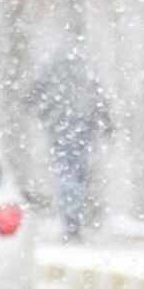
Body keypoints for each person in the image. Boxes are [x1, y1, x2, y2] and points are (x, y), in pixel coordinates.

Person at [28, 51, 112, 240]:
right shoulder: (86, 72)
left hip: (61, 132)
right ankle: (75, 220)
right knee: (79, 177)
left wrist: (40, 113)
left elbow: (35, 94)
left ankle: (72, 222)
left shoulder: (54, 71)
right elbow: (100, 100)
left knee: (67, 177)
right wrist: (108, 127)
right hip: (83, 132)